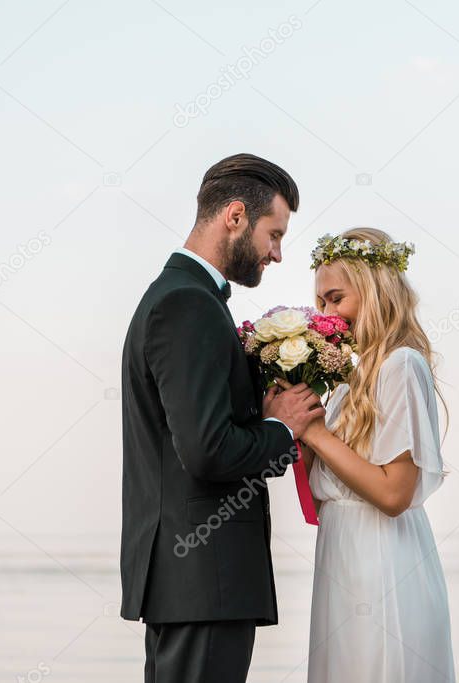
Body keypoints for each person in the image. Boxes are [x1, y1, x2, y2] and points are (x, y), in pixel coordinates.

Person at [119, 153, 325, 683]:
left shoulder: (183, 298)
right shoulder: (188, 304)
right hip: (202, 579)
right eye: (274, 235)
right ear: (235, 216)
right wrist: (281, 427)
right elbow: (208, 450)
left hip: (190, 584)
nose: (278, 254)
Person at [298, 227, 457, 682]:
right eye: (320, 302)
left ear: (373, 292)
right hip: (342, 552)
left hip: (381, 558)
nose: (326, 313)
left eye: (335, 298)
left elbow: (394, 494)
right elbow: (322, 475)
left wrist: (314, 432)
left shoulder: (400, 365)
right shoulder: (350, 380)